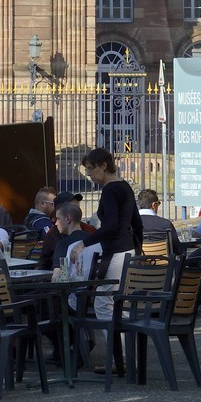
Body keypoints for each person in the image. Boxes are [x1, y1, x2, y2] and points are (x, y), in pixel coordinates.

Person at [65, 147, 142, 371]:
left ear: (103, 166)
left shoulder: (109, 190)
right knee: (121, 305)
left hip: (116, 251)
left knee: (103, 303)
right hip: (127, 250)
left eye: (90, 168)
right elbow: (136, 222)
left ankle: (118, 359)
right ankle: (126, 358)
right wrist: (137, 248)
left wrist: (83, 243)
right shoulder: (125, 186)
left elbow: (110, 226)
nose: (88, 173)